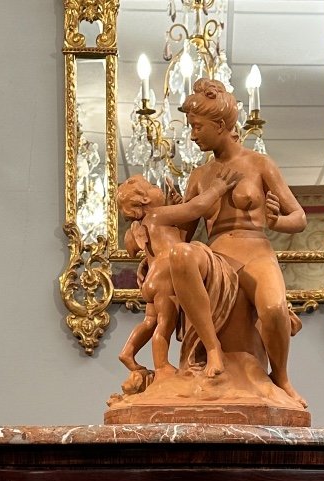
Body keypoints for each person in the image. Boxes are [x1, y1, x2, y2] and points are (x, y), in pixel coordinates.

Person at [176, 78, 307, 405]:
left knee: (275, 308)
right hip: (219, 256)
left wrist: (277, 221)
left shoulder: (260, 164)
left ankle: (281, 378)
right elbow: (183, 234)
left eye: (197, 127)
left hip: (256, 250)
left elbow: (300, 217)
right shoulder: (199, 176)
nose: (192, 135)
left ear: (220, 125)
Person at [115, 171, 240, 393]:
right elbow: (195, 209)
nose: (158, 188)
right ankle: (162, 366)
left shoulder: (138, 227)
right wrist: (218, 189)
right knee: (164, 324)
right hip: (165, 273)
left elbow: (162, 243)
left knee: (150, 321)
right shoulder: (157, 215)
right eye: (153, 185)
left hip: (152, 278)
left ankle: (128, 351)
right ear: (145, 200)